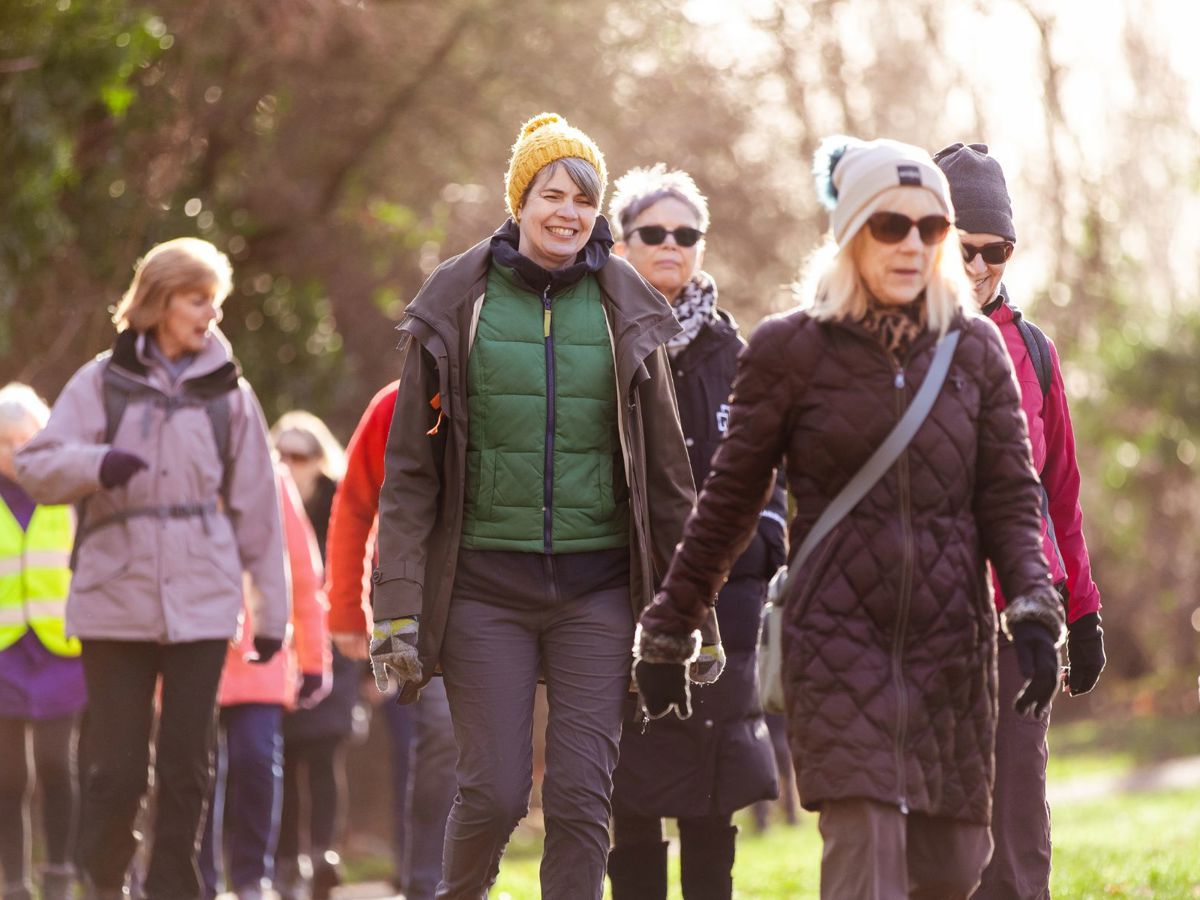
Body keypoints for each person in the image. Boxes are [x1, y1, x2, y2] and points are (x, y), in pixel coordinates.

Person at [633, 136, 1066, 900]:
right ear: (851, 232)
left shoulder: (975, 353)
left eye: (930, 228)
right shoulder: (788, 349)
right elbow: (729, 501)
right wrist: (671, 627)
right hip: (836, 641)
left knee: (953, 863)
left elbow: (1010, 493)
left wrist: (1033, 605)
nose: (912, 244)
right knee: (865, 850)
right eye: (889, 225)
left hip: (949, 647)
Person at [368, 112, 702, 900]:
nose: (569, 213)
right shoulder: (457, 300)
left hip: (597, 593)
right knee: (494, 794)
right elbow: (411, 476)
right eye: (553, 193)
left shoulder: (627, 305)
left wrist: (690, 615)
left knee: (584, 800)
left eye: (585, 201)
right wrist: (398, 611)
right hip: (488, 591)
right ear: (521, 198)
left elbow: (667, 477)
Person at [15, 237, 288, 900]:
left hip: (202, 601)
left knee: (189, 767)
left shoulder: (232, 395)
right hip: (114, 601)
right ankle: (105, 882)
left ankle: (174, 889)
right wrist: (97, 464)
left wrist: (273, 615)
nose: (210, 316)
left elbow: (259, 511)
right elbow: (35, 466)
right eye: (199, 301)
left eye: (215, 303)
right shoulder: (100, 382)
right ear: (161, 300)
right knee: (115, 770)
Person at [604, 165, 787, 899]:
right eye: (654, 232)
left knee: (714, 795)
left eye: (687, 234)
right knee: (632, 798)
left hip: (725, 603)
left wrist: (764, 545)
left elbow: (773, 471)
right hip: (620, 600)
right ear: (621, 246)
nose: (671, 245)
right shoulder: (596, 343)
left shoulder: (737, 355)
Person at [932, 141, 1105, 900]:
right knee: (940, 827)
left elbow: (1060, 491)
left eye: (995, 251)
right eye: (964, 248)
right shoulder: (900, 345)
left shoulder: (1033, 349)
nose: (978, 269)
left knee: (1019, 818)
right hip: (928, 615)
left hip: (1021, 618)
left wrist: (1085, 610)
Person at [323, 382, 457, 900]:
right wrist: (345, 609)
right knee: (438, 736)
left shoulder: (513, 382)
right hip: (410, 604)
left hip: (496, 596)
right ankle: (427, 882)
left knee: (485, 752)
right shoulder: (393, 403)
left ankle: (469, 878)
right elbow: (355, 505)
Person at [199, 462, 331, 900]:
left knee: (257, 760)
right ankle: (201, 880)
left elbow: (302, 573)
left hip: (260, 653)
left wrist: (314, 658)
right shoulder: (175, 468)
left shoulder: (271, 479)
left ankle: (252, 878)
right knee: (197, 772)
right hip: (191, 649)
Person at [269, 412, 366, 900]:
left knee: (326, 754)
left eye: (300, 455)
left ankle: (324, 852)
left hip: (334, 649)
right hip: (278, 650)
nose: (289, 464)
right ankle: (288, 860)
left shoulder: (338, 502)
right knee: (282, 761)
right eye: (281, 454)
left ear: (319, 459)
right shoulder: (263, 502)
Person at [0, 384, 84, 900]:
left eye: (22, 440)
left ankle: (60, 872)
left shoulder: (69, 490)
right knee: (9, 776)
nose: (13, 451)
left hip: (59, 647)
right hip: (5, 648)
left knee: (56, 762)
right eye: (3, 442)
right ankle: (14, 881)